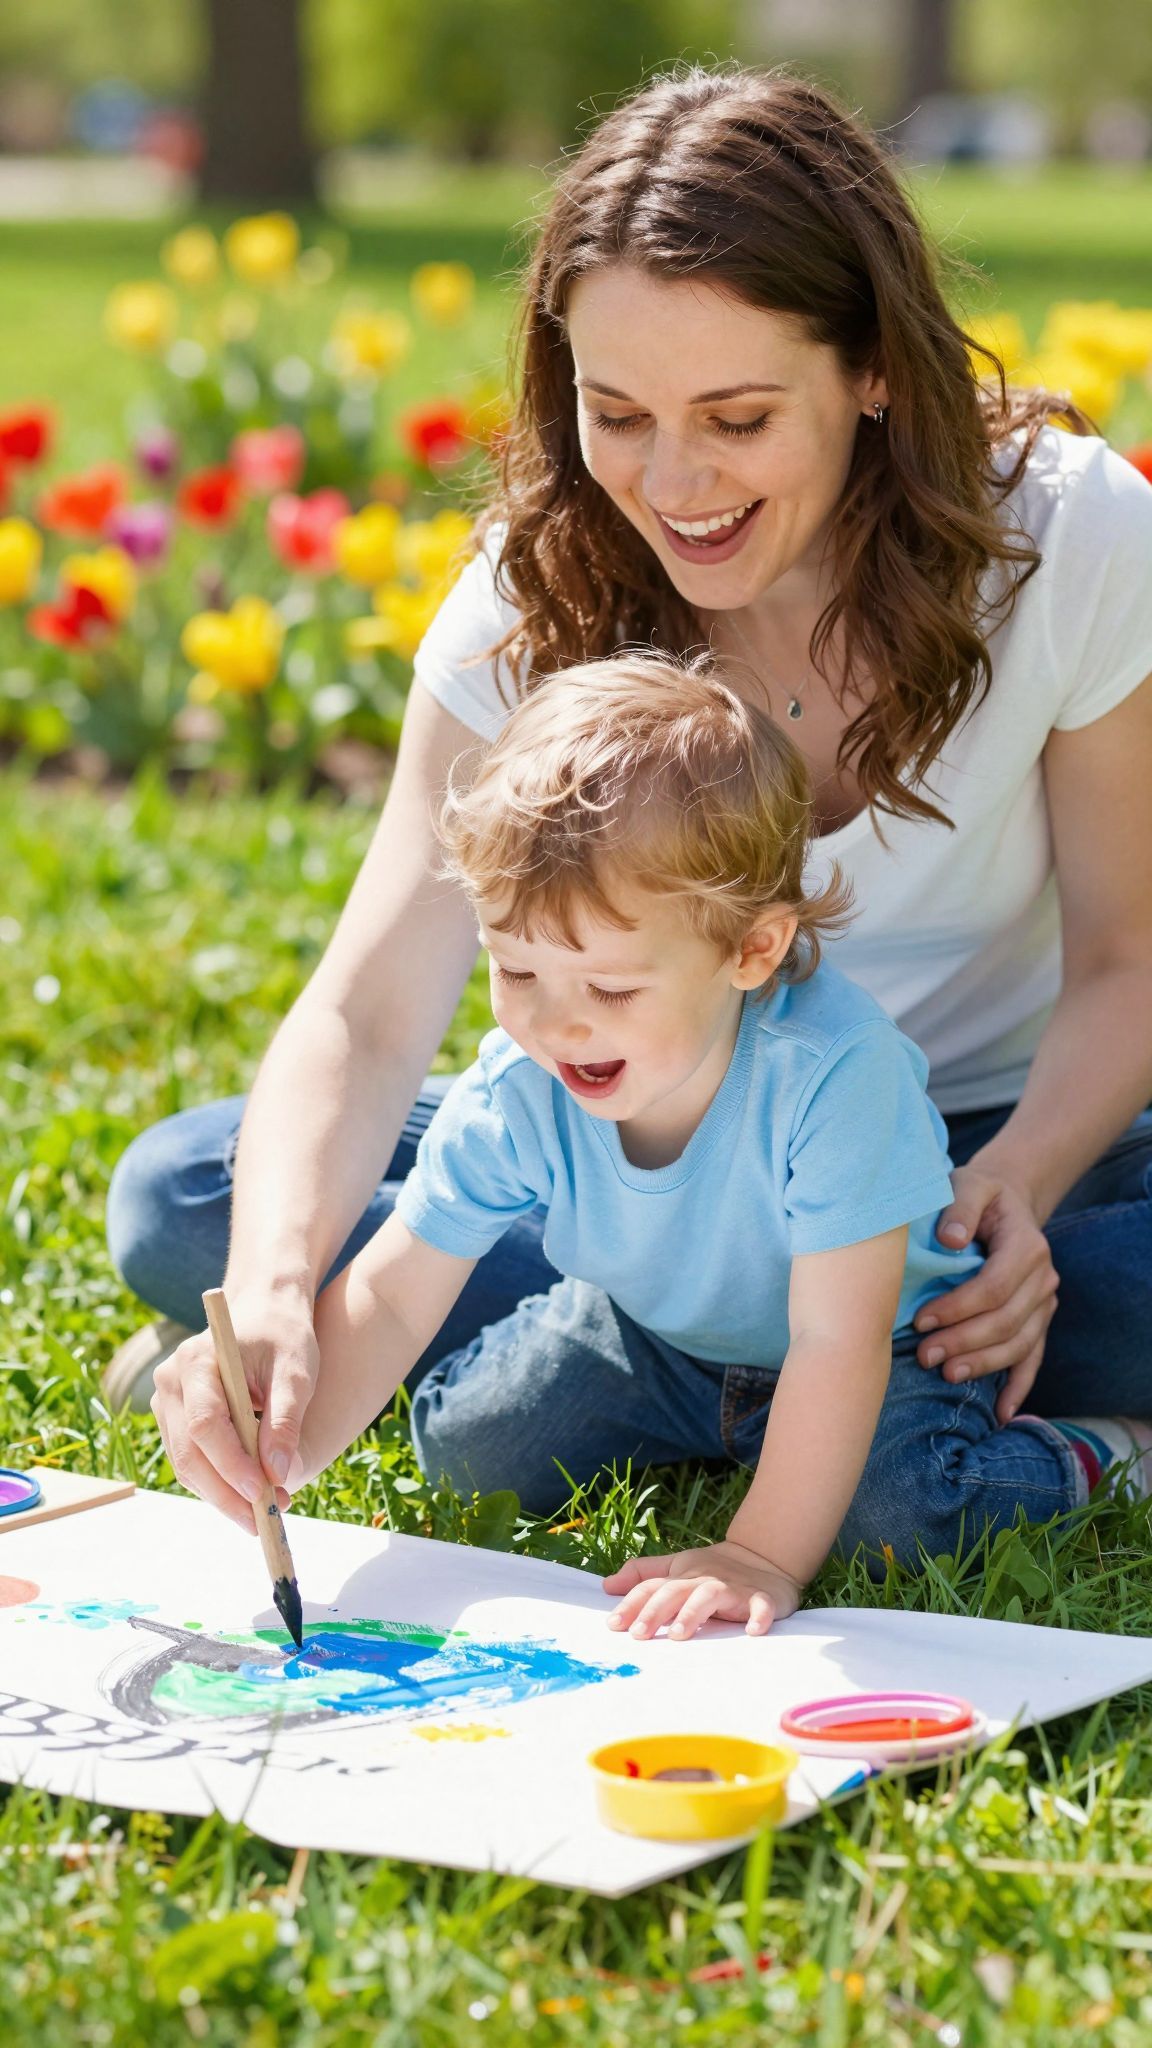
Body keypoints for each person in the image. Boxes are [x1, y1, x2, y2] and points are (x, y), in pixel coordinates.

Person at [112, 65, 1152, 1559]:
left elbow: (1130, 958)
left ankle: (754, 1355)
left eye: (737, 416)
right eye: (618, 412)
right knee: (189, 1200)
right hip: (648, 1140)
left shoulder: (1068, 535)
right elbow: (366, 1010)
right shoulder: (530, 597)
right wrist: (278, 1282)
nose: (674, 483)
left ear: (874, 370)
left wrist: (1013, 1194)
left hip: (998, 1145)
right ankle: (759, 1349)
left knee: (1041, 1284)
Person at [161, 653, 1061, 1632]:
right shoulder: (520, 1086)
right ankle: (735, 1442)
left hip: (891, 1344)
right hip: (654, 1333)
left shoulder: (836, 1077)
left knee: (906, 1515)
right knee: (474, 1448)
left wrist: (758, 1553)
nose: (558, 1025)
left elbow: (835, 1340)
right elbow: (387, 1293)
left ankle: (1097, 1450)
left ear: (750, 949)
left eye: (613, 988)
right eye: (516, 969)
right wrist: (285, 1453)